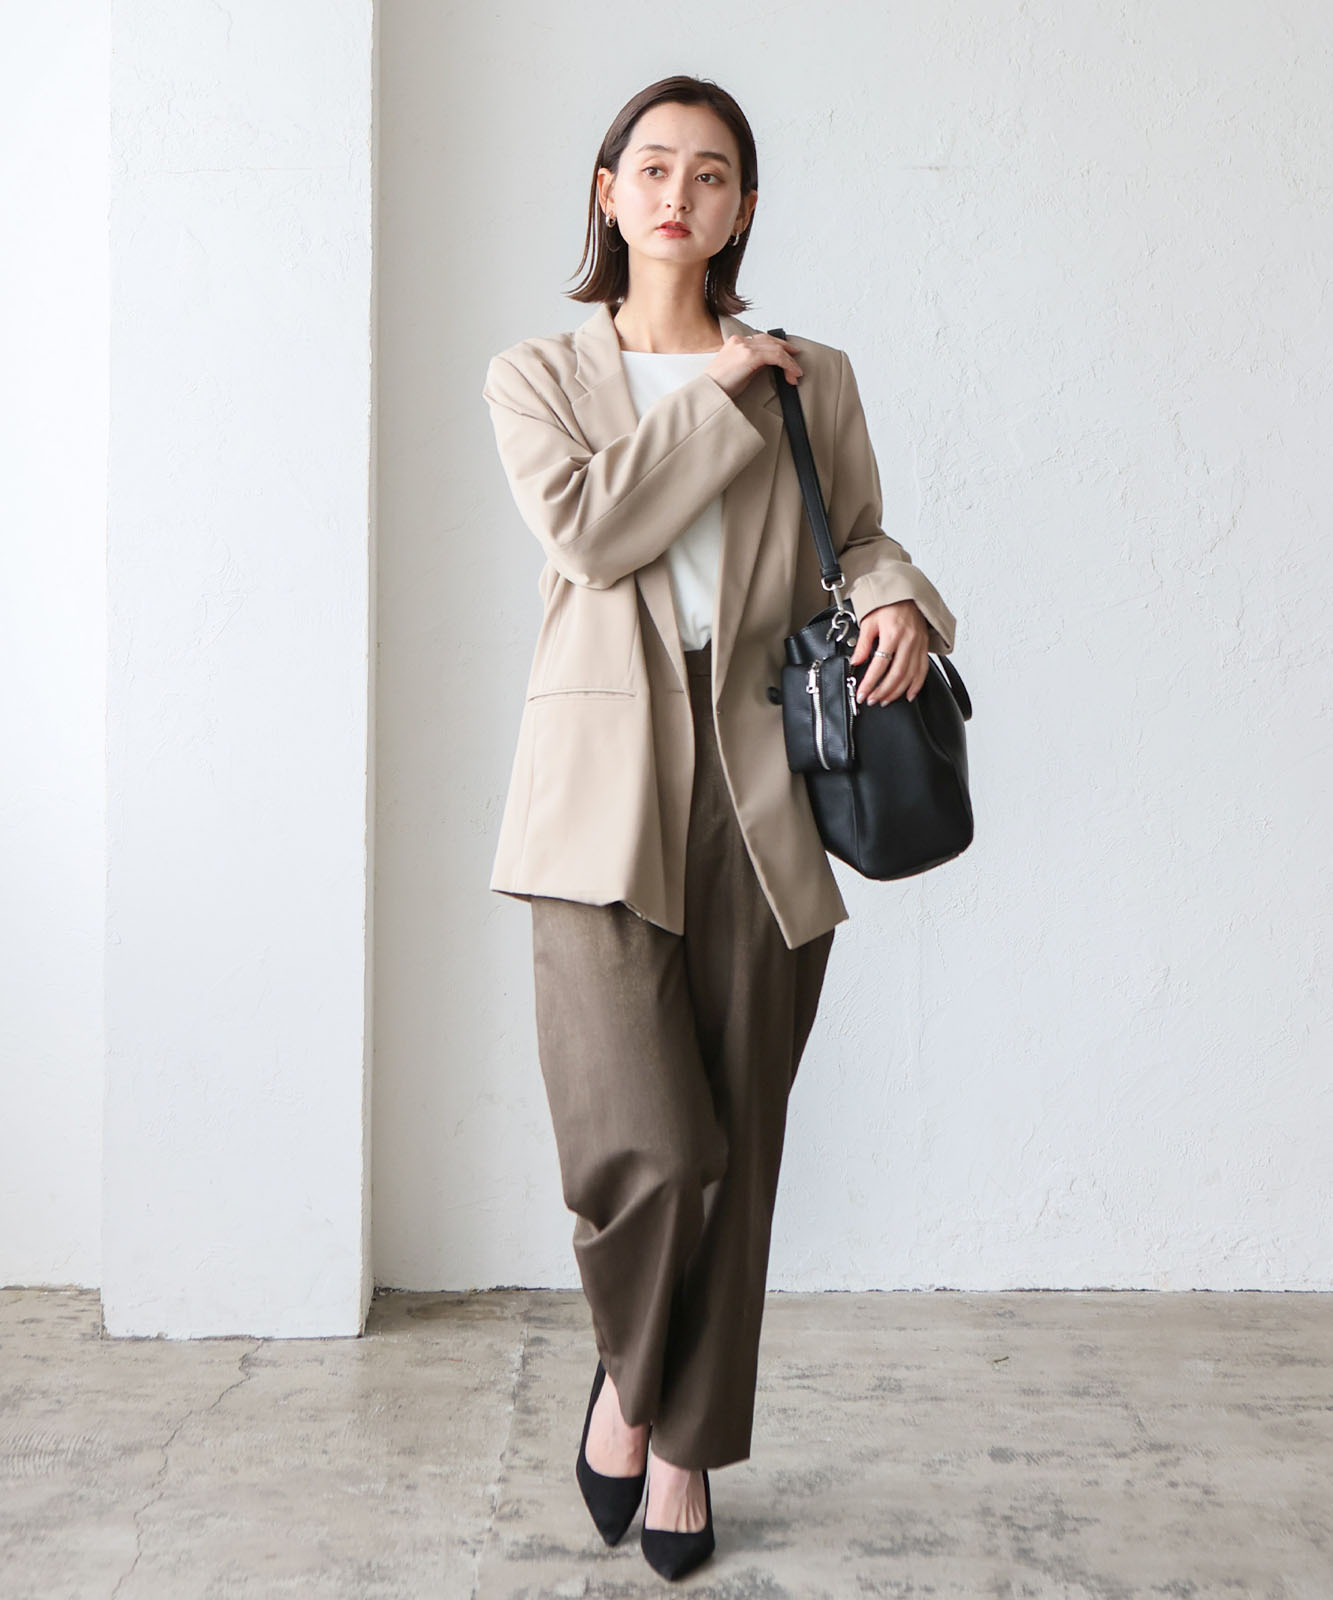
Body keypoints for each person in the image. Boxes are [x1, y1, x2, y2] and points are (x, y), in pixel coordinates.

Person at [481, 75, 958, 1581]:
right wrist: (721, 394)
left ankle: (680, 1443)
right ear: (608, 192)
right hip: (596, 790)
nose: (678, 194)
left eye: (711, 173)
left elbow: (856, 532)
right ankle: (633, 1388)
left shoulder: (812, 375)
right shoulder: (538, 375)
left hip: (766, 786)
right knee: (651, 1146)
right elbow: (591, 530)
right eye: (652, 168)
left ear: (744, 206)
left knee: (736, 1149)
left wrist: (898, 599)